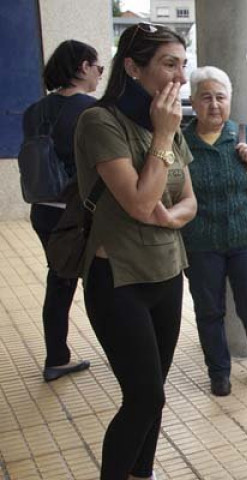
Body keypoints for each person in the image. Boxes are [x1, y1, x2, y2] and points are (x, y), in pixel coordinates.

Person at [74, 23, 197, 480]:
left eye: (183, 65)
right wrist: (163, 136)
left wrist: (174, 217)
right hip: (118, 280)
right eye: (169, 64)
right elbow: (140, 201)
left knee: (155, 394)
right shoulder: (100, 122)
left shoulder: (165, 120)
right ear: (133, 67)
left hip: (167, 272)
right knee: (144, 396)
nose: (180, 78)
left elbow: (189, 199)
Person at [180, 66, 247, 397]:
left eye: (220, 97)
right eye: (206, 97)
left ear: (229, 101)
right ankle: (218, 371)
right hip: (200, 242)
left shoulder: (244, 135)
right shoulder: (181, 141)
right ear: (194, 102)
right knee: (209, 309)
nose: (214, 104)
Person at [21, 39, 101, 382]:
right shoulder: (91, 111)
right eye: (98, 67)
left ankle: (57, 355)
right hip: (77, 212)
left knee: (60, 279)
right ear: (83, 66)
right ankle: (124, 350)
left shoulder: (34, 111)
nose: (99, 74)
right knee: (100, 281)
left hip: (42, 210)